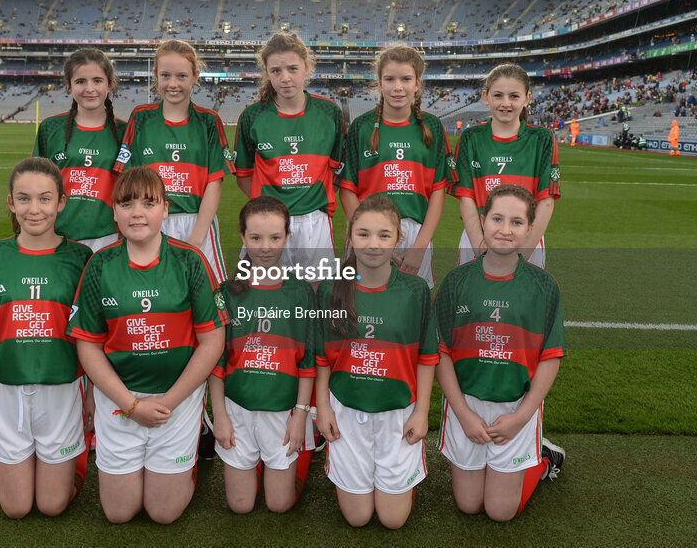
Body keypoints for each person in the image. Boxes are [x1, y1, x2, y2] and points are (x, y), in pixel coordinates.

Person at [68, 166, 227, 524]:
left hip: (176, 401)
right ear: (114, 212)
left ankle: (189, 462)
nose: (137, 212)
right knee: (119, 513)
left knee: (163, 513)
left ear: (166, 209)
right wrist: (131, 404)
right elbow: (89, 346)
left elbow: (212, 340)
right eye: (126, 204)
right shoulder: (100, 265)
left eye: (148, 203)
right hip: (121, 400)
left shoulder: (190, 260)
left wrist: (169, 402)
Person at [0, 157, 93, 519]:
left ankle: (69, 464)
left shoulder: (81, 257)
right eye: (23, 199)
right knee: (16, 509)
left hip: (62, 389)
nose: (34, 209)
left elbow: (90, 336)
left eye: (44, 199)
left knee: (53, 507)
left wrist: (92, 397)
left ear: (61, 202)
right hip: (5, 391)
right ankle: (21, 467)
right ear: (10, 203)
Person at [433, 184, 566, 522]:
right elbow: (441, 352)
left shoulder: (544, 286)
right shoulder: (456, 282)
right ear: (481, 221)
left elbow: (551, 357)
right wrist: (463, 414)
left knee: (500, 512)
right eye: (497, 219)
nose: (505, 230)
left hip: (516, 407)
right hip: (467, 406)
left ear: (530, 229)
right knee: (469, 505)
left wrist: (522, 418)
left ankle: (543, 460)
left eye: (517, 222)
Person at [314, 196, 438, 529]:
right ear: (350, 237)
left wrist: (422, 412)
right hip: (347, 413)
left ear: (399, 239)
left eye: (384, 235)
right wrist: (323, 409)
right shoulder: (329, 290)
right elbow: (323, 358)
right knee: (357, 518)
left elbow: (427, 358)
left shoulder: (415, 291)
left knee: (393, 520)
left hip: (397, 413)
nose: (373, 244)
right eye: (364, 234)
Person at [209, 196, 316, 513]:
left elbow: (308, 364)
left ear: (287, 236)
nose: (265, 247)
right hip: (237, 411)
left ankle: (302, 453)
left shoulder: (301, 292)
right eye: (256, 238)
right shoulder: (227, 292)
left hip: (283, 413)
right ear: (242, 237)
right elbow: (215, 365)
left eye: (275, 237)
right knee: (240, 506)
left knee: (279, 505)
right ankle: (254, 461)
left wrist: (299, 418)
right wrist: (221, 418)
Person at [115, 39, 234, 281]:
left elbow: (214, 183)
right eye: (166, 75)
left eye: (181, 76)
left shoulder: (209, 121)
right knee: (154, 295)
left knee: (209, 298)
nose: (173, 84)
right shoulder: (141, 117)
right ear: (156, 75)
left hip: (197, 222)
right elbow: (127, 180)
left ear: (195, 76)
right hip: (150, 221)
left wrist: (197, 238)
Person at [234, 32, 346, 276]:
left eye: (293, 69)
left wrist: (312, 200)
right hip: (267, 224)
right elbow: (243, 175)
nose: (285, 78)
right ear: (266, 73)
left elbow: (337, 171)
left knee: (318, 297)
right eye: (275, 71)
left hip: (315, 223)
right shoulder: (252, 116)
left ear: (307, 67)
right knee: (265, 295)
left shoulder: (329, 113)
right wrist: (267, 204)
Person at [339, 45, 449, 288]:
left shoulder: (432, 127)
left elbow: (438, 191)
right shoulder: (361, 127)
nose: (397, 87)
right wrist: (367, 237)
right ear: (379, 82)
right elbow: (347, 188)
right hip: (368, 231)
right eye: (390, 79)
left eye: (406, 79)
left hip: (416, 235)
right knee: (360, 305)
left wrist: (420, 247)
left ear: (417, 83)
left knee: (414, 307)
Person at [449, 63, 560, 268]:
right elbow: (466, 197)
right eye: (498, 95)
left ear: (527, 98)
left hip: (527, 243)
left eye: (514, 96)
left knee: (524, 300)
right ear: (486, 97)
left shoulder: (543, 139)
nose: (505, 103)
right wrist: (479, 245)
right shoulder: (470, 138)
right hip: (477, 240)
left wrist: (523, 253)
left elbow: (546, 200)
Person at [33, 48, 125, 252]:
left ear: (109, 84)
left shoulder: (125, 132)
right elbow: (35, 185)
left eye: (97, 81)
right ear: (69, 85)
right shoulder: (50, 128)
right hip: (57, 236)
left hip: (108, 237)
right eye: (80, 81)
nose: (89, 88)